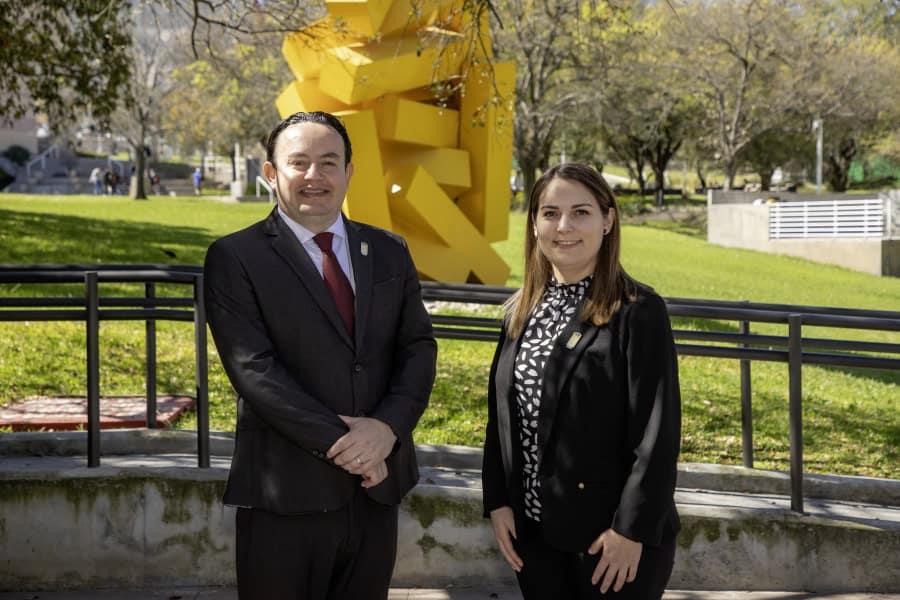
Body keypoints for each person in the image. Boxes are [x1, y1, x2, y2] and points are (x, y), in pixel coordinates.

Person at [204, 111, 437, 600]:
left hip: (377, 493)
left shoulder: (389, 250)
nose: (315, 176)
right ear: (271, 173)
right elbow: (254, 371)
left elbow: (417, 348)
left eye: (329, 163)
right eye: (299, 163)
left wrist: (386, 431)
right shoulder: (236, 257)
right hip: (285, 494)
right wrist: (353, 448)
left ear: (350, 172)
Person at [482, 162, 681, 599]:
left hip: (610, 544)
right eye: (550, 213)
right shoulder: (521, 310)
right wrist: (497, 500)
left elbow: (657, 434)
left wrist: (631, 531)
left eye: (581, 212)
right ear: (534, 224)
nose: (564, 226)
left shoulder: (638, 311)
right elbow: (502, 415)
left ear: (608, 220)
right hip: (534, 537)